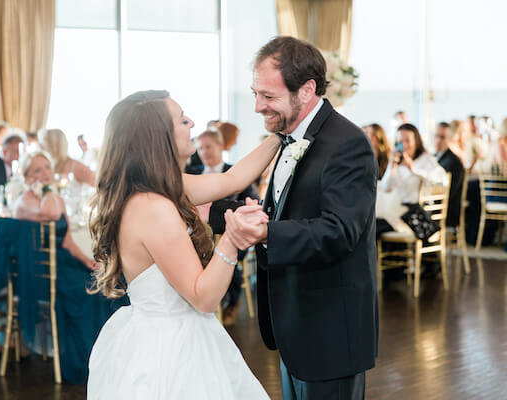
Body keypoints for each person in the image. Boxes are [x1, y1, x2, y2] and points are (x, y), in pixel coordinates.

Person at [87, 90, 282, 399]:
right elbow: (202, 297)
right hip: (170, 347)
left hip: (163, 331)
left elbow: (232, 180)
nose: (191, 122)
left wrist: (280, 133)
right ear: (158, 136)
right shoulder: (152, 206)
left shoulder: (157, 188)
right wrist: (232, 238)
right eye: (181, 119)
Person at [224, 36, 378, 400]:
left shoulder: (347, 143)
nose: (259, 106)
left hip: (330, 332)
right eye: (255, 93)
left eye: (269, 96)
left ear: (306, 90)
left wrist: (265, 233)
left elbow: (340, 231)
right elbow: (285, 209)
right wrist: (219, 214)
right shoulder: (289, 137)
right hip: (296, 327)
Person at [10, 150, 124, 383]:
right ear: (27, 177)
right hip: (41, 273)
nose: (44, 174)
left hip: (64, 263)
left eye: (47, 168)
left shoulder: (55, 197)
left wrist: (87, 260)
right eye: (37, 170)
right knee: (90, 293)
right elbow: (50, 214)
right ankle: (89, 359)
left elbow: (67, 241)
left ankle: (115, 355)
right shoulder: (23, 202)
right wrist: (46, 191)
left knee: (108, 283)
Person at [186, 129, 259, 325]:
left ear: (220, 146)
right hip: (196, 237)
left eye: (208, 146)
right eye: (200, 148)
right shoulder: (191, 174)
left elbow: (249, 201)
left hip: (227, 232)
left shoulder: (235, 172)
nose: (204, 152)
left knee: (229, 260)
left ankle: (230, 302)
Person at [435, 122, 465, 228]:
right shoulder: (433, 157)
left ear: (450, 139)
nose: (438, 140)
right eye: (436, 136)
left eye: (442, 137)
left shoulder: (454, 162)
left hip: (446, 211)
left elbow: (449, 193)